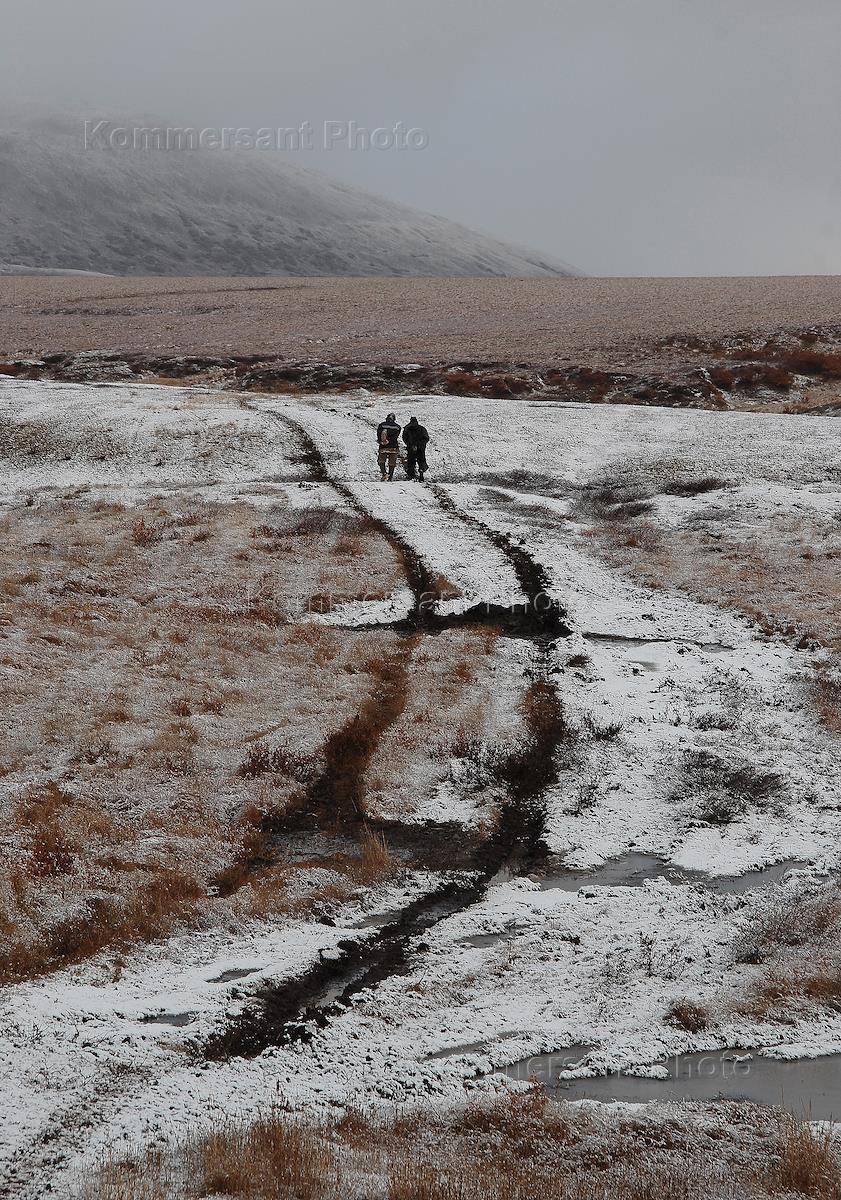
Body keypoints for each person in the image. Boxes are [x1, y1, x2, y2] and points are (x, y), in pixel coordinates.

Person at [402, 415, 429, 481]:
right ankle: (421, 475)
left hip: (411, 447)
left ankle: (411, 475)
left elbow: (404, 438)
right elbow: (426, 438)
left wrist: (409, 444)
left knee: (411, 461)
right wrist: (421, 445)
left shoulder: (407, 429)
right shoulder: (422, 428)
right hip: (420, 448)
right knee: (421, 461)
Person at [376, 412, 401, 481]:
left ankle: (384, 473)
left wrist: (381, 441)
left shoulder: (382, 425)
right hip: (393, 446)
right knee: (392, 462)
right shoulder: (398, 427)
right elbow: (395, 437)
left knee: (381, 460)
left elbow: (378, 434)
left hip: (383, 446)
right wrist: (389, 440)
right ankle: (390, 477)